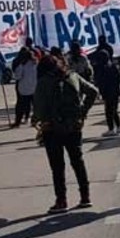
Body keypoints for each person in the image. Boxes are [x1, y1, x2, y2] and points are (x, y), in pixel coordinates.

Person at [34, 54, 98, 213]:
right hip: (73, 126)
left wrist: (39, 120)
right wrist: (82, 113)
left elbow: (39, 109)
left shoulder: (43, 83)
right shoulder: (73, 76)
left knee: (57, 167)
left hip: (52, 129)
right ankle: (85, 196)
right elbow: (93, 92)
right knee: (78, 161)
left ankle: (61, 201)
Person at [93, 44, 120, 136]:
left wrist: (101, 90)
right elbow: (118, 78)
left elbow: (100, 81)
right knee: (114, 110)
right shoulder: (113, 66)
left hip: (108, 92)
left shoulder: (102, 68)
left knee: (109, 111)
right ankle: (118, 126)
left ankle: (111, 128)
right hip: (115, 91)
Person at [12, 47, 38, 128]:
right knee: (35, 106)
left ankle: (18, 122)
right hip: (35, 88)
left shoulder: (22, 66)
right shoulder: (36, 64)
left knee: (20, 106)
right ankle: (35, 120)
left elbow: (17, 77)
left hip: (24, 89)